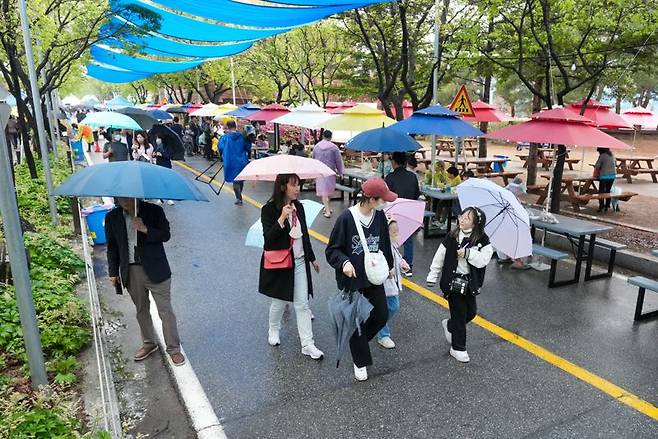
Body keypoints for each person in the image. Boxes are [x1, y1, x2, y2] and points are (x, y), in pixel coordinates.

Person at [326, 177, 396, 381]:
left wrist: (390, 267)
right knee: (355, 320)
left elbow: (384, 244)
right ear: (371, 199)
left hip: (374, 275)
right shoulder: (346, 219)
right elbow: (332, 250)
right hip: (353, 278)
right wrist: (345, 263)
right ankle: (360, 360)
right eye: (381, 199)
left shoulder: (380, 216)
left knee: (381, 314)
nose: (384, 202)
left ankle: (358, 343)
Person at [105, 197, 185, 366]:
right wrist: (113, 271)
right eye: (120, 197)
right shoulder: (112, 217)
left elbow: (166, 235)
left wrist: (145, 229)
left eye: (127, 197)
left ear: (135, 195)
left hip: (156, 269)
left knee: (165, 311)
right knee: (141, 309)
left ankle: (174, 349)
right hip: (131, 270)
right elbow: (112, 247)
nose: (124, 201)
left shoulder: (154, 211)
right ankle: (149, 343)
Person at [259, 174, 324, 360]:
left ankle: (308, 344)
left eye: (299, 185)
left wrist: (312, 258)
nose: (298, 189)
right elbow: (268, 241)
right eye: (294, 185)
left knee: (302, 304)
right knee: (279, 301)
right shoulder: (269, 210)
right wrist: (281, 218)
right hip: (281, 263)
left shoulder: (300, 207)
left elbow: (304, 235)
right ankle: (273, 328)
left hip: (300, 261)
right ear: (282, 187)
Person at [426, 207, 493, 363]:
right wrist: (433, 275)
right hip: (453, 282)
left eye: (467, 218)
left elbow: (485, 259)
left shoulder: (482, 239)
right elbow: (439, 256)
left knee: (471, 312)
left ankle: (450, 325)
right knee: (460, 313)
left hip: (470, 283)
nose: (462, 220)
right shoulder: (452, 236)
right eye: (462, 216)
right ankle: (458, 348)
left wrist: (468, 253)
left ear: (475, 224)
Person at [376, 217, 410, 349]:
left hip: (391, 284)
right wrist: (386, 270)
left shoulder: (393, 246)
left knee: (393, 306)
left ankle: (377, 324)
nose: (397, 235)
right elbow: (376, 262)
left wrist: (403, 265)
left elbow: (398, 258)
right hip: (382, 283)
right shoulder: (381, 246)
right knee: (384, 308)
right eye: (394, 232)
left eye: (397, 232)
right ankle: (383, 334)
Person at [385, 152, 420, 277]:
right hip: (409, 210)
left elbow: (385, 195)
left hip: (393, 211)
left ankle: (390, 264)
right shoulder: (412, 176)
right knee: (408, 239)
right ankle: (408, 266)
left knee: (389, 238)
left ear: (394, 162)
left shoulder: (390, 177)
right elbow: (417, 193)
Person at [312, 130, 344, 218]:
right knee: (328, 191)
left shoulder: (317, 147)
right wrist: (341, 172)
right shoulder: (334, 147)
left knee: (324, 192)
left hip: (320, 171)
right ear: (331, 137)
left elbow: (313, 158)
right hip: (330, 171)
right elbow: (338, 161)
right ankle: (327, 208)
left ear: (323, 136)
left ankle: (327, 209)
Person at [218, 120, 250, 206]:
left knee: (235, 180)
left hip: (230, 161)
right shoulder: (242, 136)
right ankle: (239, 196)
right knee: (240, 179)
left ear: (228, 127)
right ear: (235, 126)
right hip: (242, 161)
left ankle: (239, 198)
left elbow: (220, 148)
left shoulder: (224, 137)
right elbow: (247, 147)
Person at [153, 136, 176, 205]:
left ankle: (170, 198)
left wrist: (162, 154)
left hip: (166, 166)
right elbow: (154, 154)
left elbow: (171, 156)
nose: (158, 140)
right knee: (160, 183)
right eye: (157, 138)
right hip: (158, 165)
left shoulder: (168, 146)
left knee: (167, 183)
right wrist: (154, 154)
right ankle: (160, 198)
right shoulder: (157, 146)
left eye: (159, 138)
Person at [593, 148, 616, 213]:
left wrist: (595, 175)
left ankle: (601, 206)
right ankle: (607, 205)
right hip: (612, 176)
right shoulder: (612, 155)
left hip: (604, 176)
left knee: (601, 192)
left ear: (601, 151)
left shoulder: (602, 156)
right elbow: (615, 164)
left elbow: (597, 166)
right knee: (608, 191)